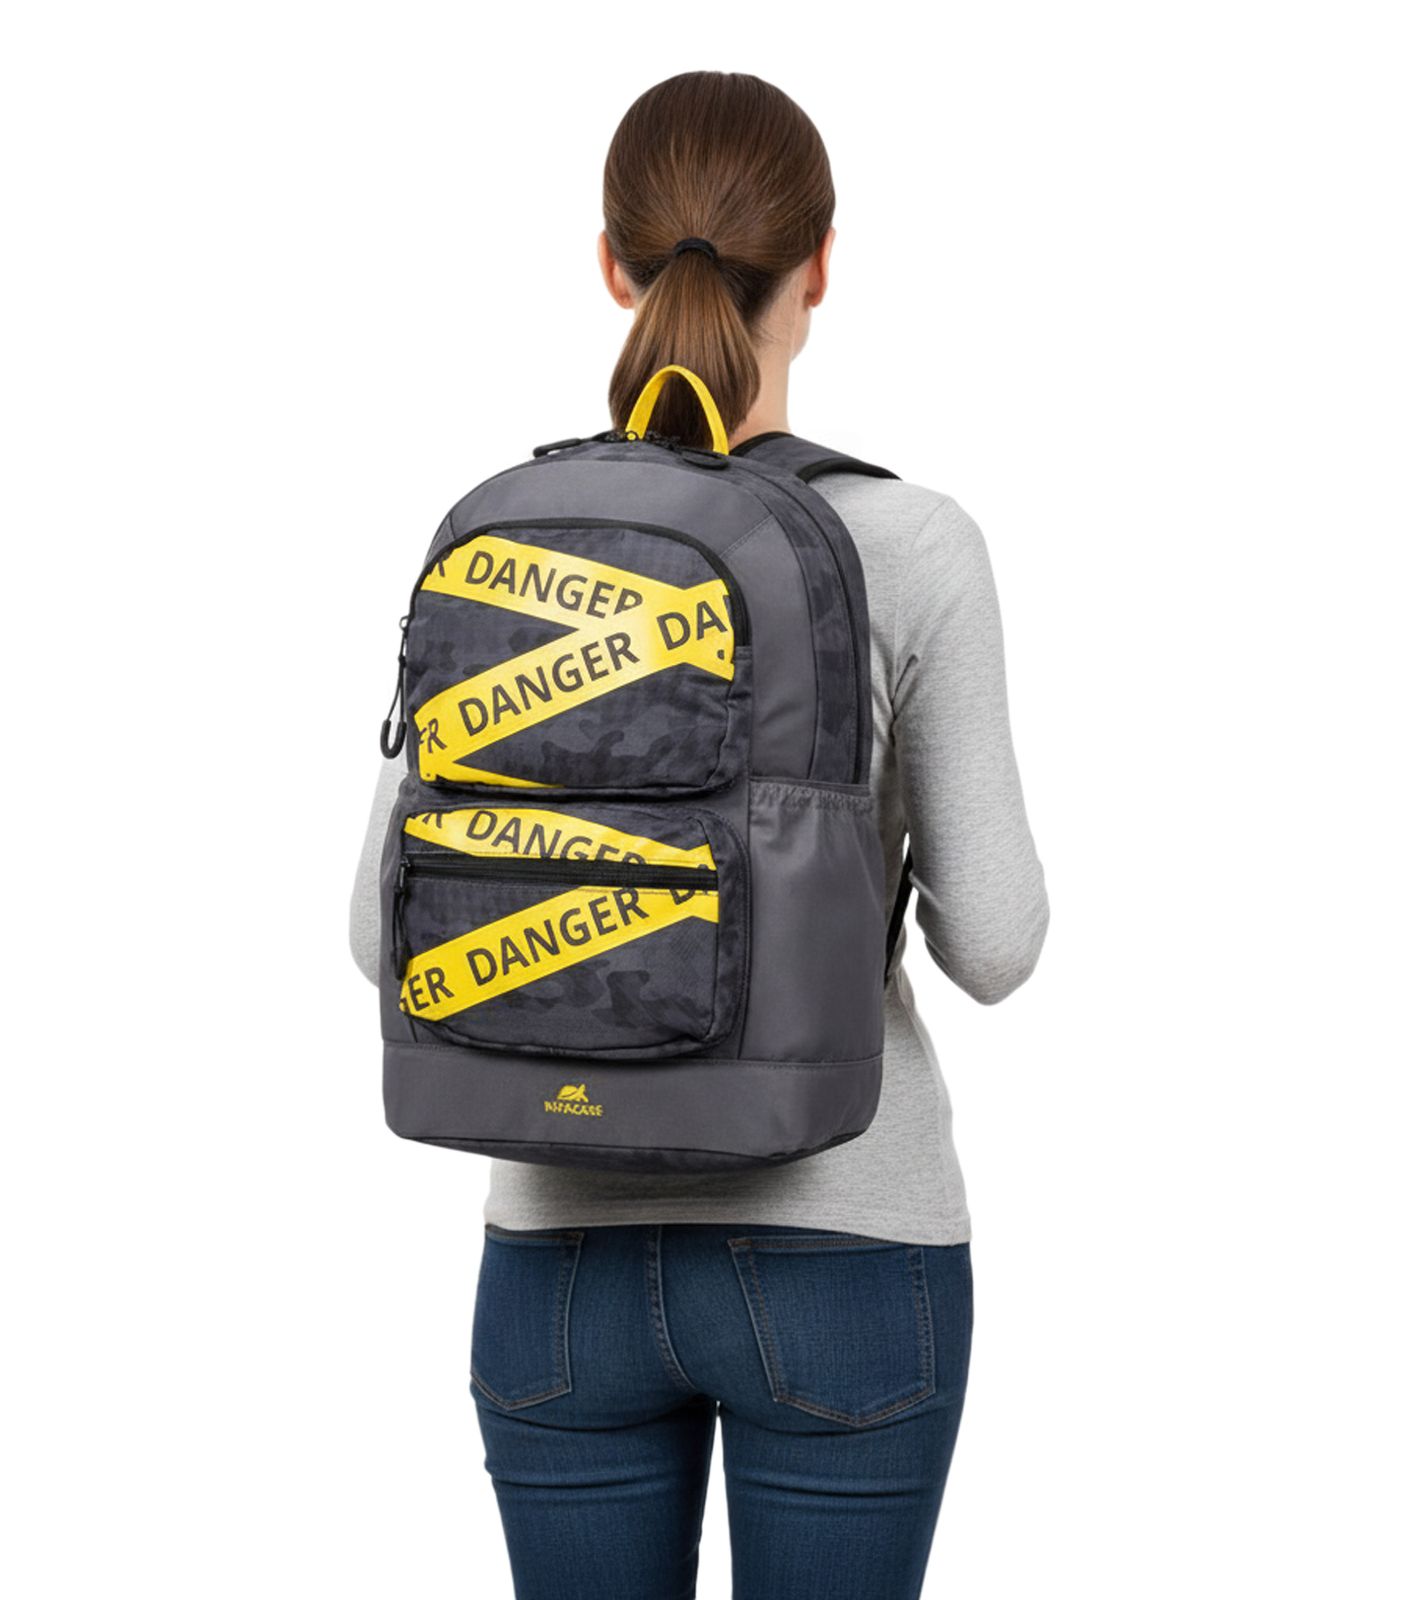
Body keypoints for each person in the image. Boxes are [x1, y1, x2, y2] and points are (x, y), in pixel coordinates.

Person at [350, 70, 1048, 1600]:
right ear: (820, 267)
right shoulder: (914, 541)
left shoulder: (505, 542)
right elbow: (995, 946)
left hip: (554, 1261)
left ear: (613, 265)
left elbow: (370, 935)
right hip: (846, 1247)